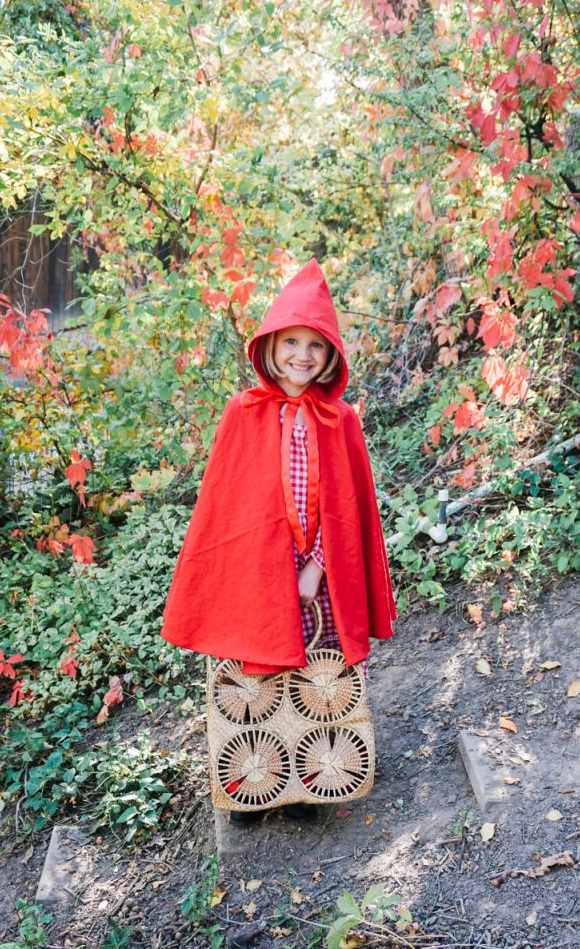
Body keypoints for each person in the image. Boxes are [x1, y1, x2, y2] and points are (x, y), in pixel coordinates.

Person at [161, 257, 396, 823]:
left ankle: (313, 777)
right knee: (251, 673)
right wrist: (257, 567)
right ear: (270, 345)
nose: (302, 355)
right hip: (254, 568)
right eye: (291, 341)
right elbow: (226, 506)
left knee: (321, 670)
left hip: (321, 568)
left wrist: (315, 565)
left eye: (315, 345)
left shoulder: (341, 419)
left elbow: (345, 511)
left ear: (330, 354)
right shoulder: (242, 412)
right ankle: (249, 780)